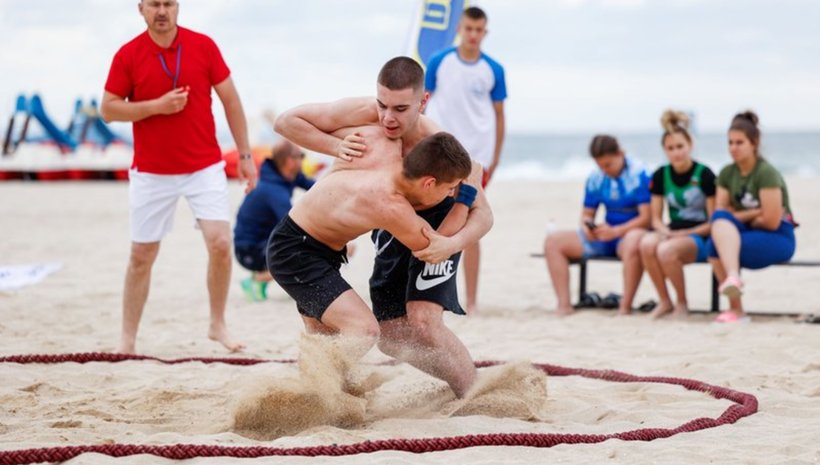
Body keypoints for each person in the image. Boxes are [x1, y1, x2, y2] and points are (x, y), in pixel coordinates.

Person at [274, 57, 493, 397]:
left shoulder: (440, 148)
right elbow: (286, 122)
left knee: (421, 322)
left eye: (400, 109)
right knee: (388, 335)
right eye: (382, 105)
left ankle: (473, 394)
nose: (388, 118)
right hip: (374, 224)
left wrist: (452, 243)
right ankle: (317, 397)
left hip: (430, 220)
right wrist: (336, 146)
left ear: (423, 102)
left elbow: (484, 215)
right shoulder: (370, 129)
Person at [100, 0, 256, 354]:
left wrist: (245, 155)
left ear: (177, 7)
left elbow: (231, 100)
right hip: (151, 172)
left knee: (219, 243)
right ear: (140, 8)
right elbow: (108, 109)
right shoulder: (128, 54)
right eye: (154, 4)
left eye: (168, 3)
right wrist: (155, 106)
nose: (162, 11)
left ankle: (218, 325)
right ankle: (127, 340)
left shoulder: (203, 46)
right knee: (141, 255)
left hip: (204, 166)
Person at [424, 6, 507, 315]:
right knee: (437, 221)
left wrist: (495, 157)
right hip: (440, 155)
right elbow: (423, 105)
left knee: (471, 225)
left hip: (475, 158)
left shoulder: (493, 69)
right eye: (469, 28)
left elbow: (499, 116)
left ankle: (470, 301)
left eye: (479, 30)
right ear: (460, 28)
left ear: (485, 32)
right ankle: (432, 296)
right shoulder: (439, 61)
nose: (473, 35)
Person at [543, 135, 651, 316]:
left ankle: (625, 307)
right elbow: (587, 214)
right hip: (605, 236)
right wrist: (588, 227)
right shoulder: (596, 177)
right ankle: (564, 305)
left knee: (633, 241)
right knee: (553, 241)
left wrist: (617, 231)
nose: (605, 170)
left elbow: (646, 218)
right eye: (600, 166)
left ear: (620, 154)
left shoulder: (640, 174)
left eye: (608, 165)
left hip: (630, 236)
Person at [708, 111, 796, 323]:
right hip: (746, 230)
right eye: (730, 142)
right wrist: (756, 213)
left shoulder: (766, 173)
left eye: (739, 142)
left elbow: (771, 221)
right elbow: (720, 213)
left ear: (754, 143)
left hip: (778, 236)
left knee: (721, 245)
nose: (733, 148)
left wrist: (740, 217)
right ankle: (736, 305)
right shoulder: (728, 173)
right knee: (714, 241)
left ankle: (733, 281)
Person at [638, 110, 716, 319]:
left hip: (699, 235)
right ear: (665, 150)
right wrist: (666, 231)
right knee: (646, 243)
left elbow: (713, 221)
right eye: (670, 148)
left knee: (665, 251)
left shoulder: (705, 174)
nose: (676, 152)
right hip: (673, 231)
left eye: (680, 146)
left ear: (690, 145)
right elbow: (655, 218)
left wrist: (685, 233)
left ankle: (682, 303)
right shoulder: (661, 175)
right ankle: (664, 300)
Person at [234, 140, 313, 302]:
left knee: (304, 245)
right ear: (290, 161)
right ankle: (256, 280)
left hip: (262, 242)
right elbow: (295, 224)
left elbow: (317, 187)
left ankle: (261, 282)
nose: (303, 160)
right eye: (301, 156)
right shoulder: (273, 190)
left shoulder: (287, 176)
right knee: (305, 250)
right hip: (248, 250)